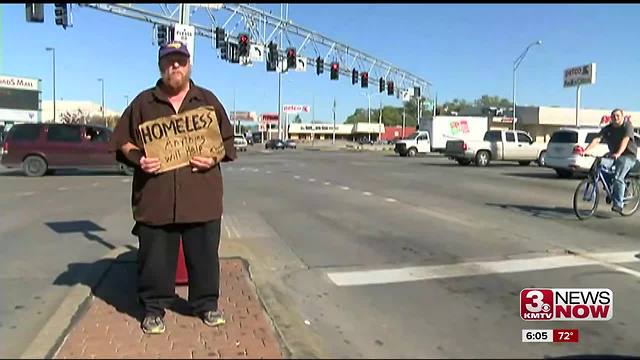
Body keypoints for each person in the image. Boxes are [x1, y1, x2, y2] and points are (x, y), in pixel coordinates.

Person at [109, 41, 236, 334]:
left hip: (201, 198)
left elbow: (226, 143)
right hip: (156, 199)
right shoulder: (143, 103)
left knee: (204, 256)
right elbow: (122, 142)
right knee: (154, 260)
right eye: (169, 62)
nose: (174, 66)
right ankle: (153, 308)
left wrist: (212, 156)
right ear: (160, 66)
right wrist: (139, 159)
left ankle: (206, 304)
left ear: (189, 64)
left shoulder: (207, 101)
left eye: (180, 61)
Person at [583, 108, 637, 214]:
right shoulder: (608, 128)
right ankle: (611, 191)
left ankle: (618, 204)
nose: (615, 118)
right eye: (613, 116)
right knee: (601, 167)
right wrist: (586, 150)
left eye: (618, 116)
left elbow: (625, 140)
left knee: (618, 177)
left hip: (628, 156)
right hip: (614, 156)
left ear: (622, 117)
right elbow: (597, 139)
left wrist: (618, 153)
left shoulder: (627, 126)